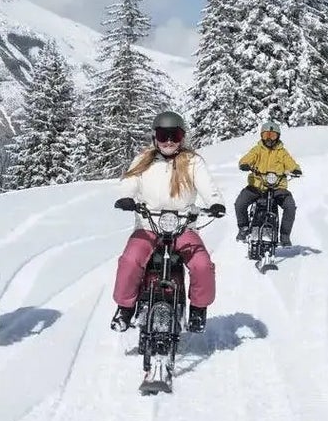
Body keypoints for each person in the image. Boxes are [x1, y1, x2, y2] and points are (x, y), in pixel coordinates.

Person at [111, 109, 226, 333]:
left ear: (182, 137)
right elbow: (129, 182)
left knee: (202, 264)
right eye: (164, 136)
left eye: (175, 135)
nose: (169, 141)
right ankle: (125, 308)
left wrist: (215, 203)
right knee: (130, 260)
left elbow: (207, 186)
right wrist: (126, 197)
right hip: (148, 224)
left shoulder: (192, 162)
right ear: (155, 137)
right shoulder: (143, 160)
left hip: (183, 226)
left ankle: (198, 309)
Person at [234, 118, 302, 247]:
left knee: (290, 206)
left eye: (272, 135)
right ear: (262, 136)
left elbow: (290, 163)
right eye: (266, 135)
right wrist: (244, 164)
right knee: (240, 203)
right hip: (257, 185)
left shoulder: (282, 152)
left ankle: (284, 236)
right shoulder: (257, 149)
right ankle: (243, 228)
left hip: (278, 187)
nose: (269, 139)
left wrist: (295, 169)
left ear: (278, 136)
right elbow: (247, 158)